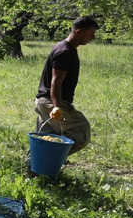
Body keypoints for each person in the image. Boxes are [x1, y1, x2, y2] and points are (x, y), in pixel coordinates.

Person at [33, 16, 99, 155]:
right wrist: (56, 107)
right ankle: (51, 159)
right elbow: (56, 82)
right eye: (91, 33)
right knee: (81, 132)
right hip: (51, 102)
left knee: (45, 138)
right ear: (79, 32)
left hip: (45, 101)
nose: (93, 38)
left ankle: (35, 166)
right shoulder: (65, 52)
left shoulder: (64, 48)